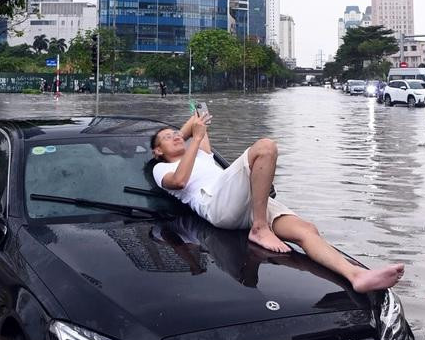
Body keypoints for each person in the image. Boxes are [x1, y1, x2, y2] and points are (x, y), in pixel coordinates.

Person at [151, 111, 405, 294]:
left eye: (176, 134)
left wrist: (191, 128)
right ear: (157, 151)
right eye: (167, 138)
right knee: (266, 147)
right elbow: (180, 181)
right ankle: (260, 228)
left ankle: (356, 275)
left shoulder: (203, 153)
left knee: (306, 230)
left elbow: (197, 121)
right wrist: (193, 138)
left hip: (246, 204)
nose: (175, 137)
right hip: (218, 207)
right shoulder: (162, 168)